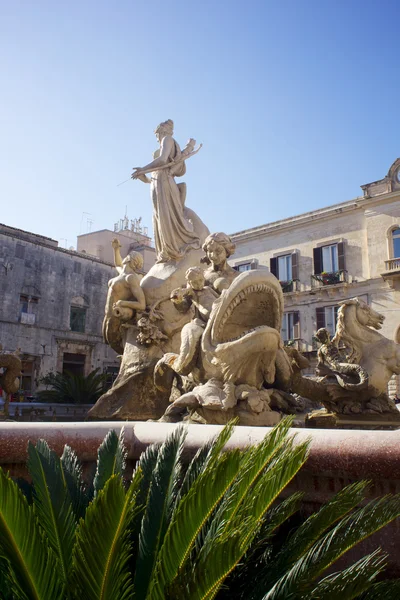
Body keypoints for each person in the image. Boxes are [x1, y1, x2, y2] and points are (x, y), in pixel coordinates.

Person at [131, 119, 200, 263]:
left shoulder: (167, 139)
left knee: (165, 216)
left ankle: (171, 249)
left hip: (164, 181)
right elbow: (151, 178)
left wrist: (143, 168)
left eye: (156, 133)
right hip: (157, 182)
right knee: (159, 217)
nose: (156, 137)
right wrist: (143, 176)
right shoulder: (165, 141)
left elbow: (162, 160)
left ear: (162, 131)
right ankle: (164, 250)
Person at [103, 238, 146, 353]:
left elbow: (142, 305)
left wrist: (123, 303)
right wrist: (116, 249)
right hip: (108, 316)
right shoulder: (122, 273)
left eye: (128, 256)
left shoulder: (130, 278)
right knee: (110, 342)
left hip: (117, 317)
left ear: (132, 260)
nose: (125, 257)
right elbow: (117, 264)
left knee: (117, 346)